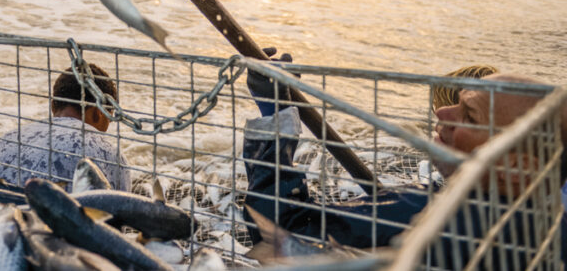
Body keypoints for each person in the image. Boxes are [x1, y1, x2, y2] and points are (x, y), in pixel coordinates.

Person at [242, 52, 567, 267]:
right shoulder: (556, 228)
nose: (441, 111)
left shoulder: (418, 209)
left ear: (517, 168)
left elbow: (284, 230)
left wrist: (274, 112)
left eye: (468, 114)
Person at [0, 62, 132, 190]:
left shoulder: (5, 140)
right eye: (109, 117)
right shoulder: (110, 155)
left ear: (53, 106)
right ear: (99, 112)